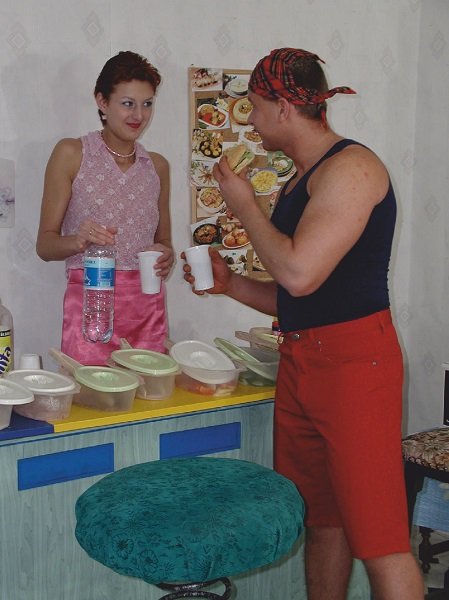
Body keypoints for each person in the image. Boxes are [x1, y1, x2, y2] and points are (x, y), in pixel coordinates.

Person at [183, 48, 424, 600]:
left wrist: (245, 206)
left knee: (381, 540)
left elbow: (299, 274)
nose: (250, 119)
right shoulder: (299, 181)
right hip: (302, 360)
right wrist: (229, 284)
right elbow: (299, 299)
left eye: (254, 106)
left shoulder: (353, 169)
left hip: (355, 366)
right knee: (321, 521)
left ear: (284, 107)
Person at [37, 51, 173, 365]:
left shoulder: (157, 167)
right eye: (127, 103)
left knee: (150, 393)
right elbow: (45, 245)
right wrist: (78, 241)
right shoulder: (72, 153)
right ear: (102, 101)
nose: (139, 114)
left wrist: (165, 256)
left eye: (147, 103)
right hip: (92, 309)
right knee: (92, 393)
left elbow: (164, 241)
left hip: (147, 311)